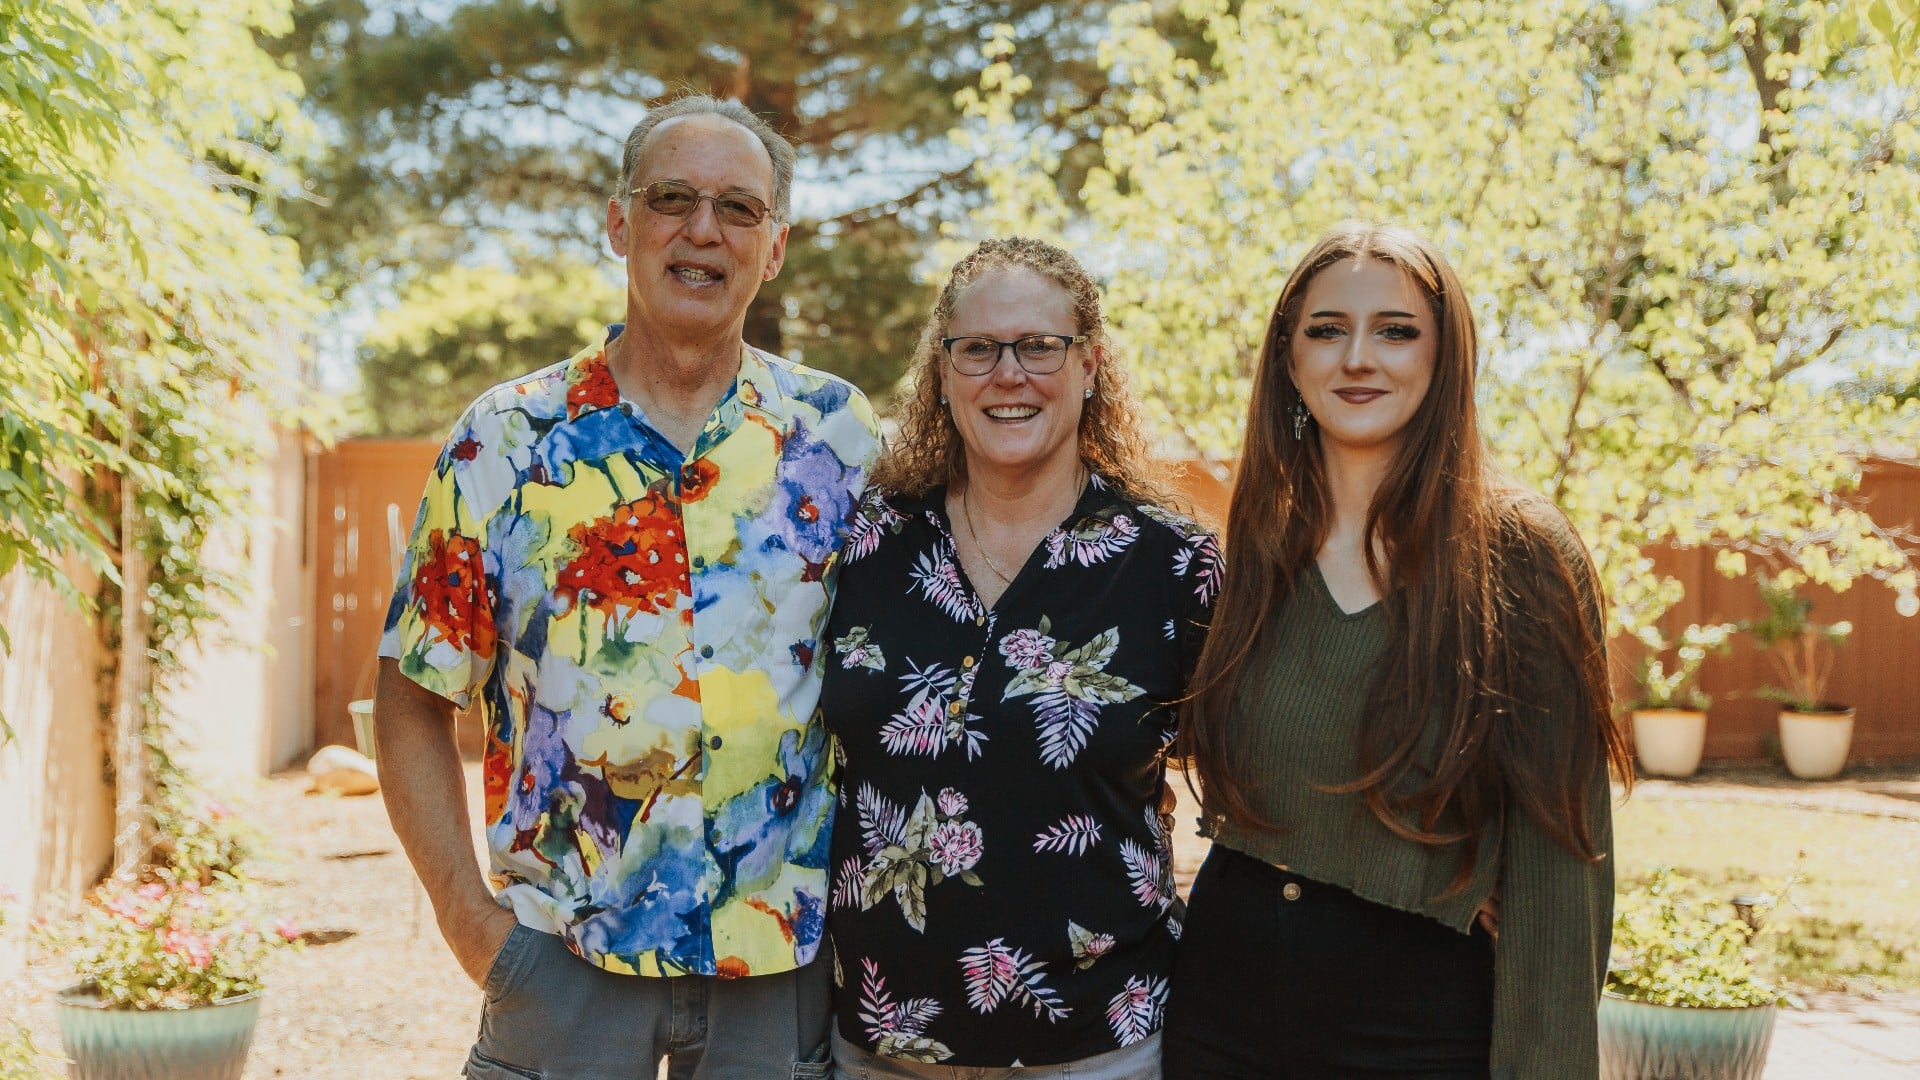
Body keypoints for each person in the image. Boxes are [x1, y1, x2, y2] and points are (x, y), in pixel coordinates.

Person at [374, 93, 881, 1079]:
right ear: (619, 222)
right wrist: (471, 922)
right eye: (672, 199)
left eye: (739, 208)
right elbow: (410, 700)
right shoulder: (506, 440)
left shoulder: (839, 436)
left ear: (774, 247)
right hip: (562, 971)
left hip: (775, 976)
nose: (703, 230)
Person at [1162, 223, 1632, 1079]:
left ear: (1445, 357)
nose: (1358, 359)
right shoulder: (1247, 555)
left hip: (1418, 1022)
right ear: (1289, 360)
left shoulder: (1520, 556)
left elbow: (1563, 870)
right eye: (1327, 329)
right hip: (1220, 1008)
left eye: (1397, 330)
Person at [819, 237, 1220, 1079]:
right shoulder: (865, 541)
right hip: (882, 1045)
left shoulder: (1172, 563)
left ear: (1090, 365)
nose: (1010, 373)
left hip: (1099, 1048)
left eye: (1040, 346)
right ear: (942, 371)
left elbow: (1251, 789)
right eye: (978, 349)